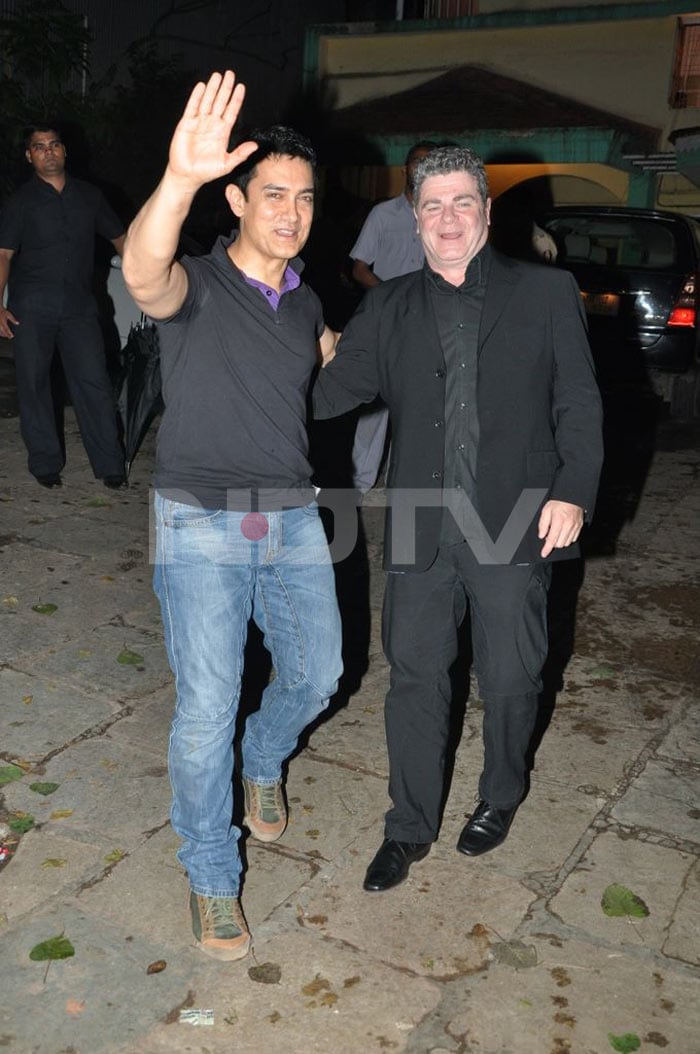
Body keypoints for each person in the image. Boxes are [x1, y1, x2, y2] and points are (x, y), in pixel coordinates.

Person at [313, 147, 604, 893]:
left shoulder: (545, 292)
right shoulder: (387, 305)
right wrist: (283, 338)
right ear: (414, 219)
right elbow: (329, 394)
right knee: (414, 677)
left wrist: (573, 489)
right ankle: (408, 827)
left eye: (462, 202)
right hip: (418, 520)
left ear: (485, 211)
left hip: (516, 518)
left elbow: (578, 400)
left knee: (511, 675)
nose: (448, 218)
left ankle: (501, 794)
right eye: (433, 205)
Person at [122, 71, 343, 960]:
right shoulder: (198, 284)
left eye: (305, 199)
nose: (291, 213)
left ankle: (266, 757)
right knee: (206, 704)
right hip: (201, 525)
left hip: (289, 519)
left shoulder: (309, 303)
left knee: (320, 674)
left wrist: (331, 354)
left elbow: (300, 385)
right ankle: (212, 874)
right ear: (238, 199)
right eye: (274, 195)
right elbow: (143, 273)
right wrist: (177, 177)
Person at [0, 124, 127, 488]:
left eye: (54, 144)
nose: (48, 151)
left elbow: (121, 239)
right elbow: (4, 255)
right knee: (34, 384)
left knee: (94, 383)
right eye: (39, 147)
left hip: (79, 309)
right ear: (29, 156)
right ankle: (45, 464)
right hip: (31, 308)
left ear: (65, 151)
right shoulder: (20, 202)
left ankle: (111, 465)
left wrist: (148, 279)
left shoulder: (90, 196)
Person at [348, 141, 437, 493]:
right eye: (417, 161)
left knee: (418, 405)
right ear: (406, 168)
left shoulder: (440, 217)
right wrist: (390, 296)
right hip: (386, 321)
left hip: (427, 322)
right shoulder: (383, 215)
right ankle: (359, 481)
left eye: (429, 163)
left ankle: (405, 481)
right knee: (375, 404)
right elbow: (358, 268)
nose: (421, 168)